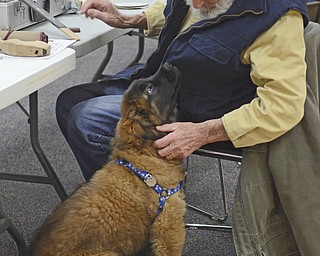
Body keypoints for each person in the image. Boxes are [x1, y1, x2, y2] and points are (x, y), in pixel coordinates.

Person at [56, 0, 320, 254]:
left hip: (206, 112)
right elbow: (178, 14)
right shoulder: (195, 2)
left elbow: (283, 105)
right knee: (68, 103)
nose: (193, 5)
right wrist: (132, 19)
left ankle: (138, 230)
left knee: (87, 120)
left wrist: (204, 132)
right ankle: (132, 208)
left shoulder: (276, 16)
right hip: (168, 82)